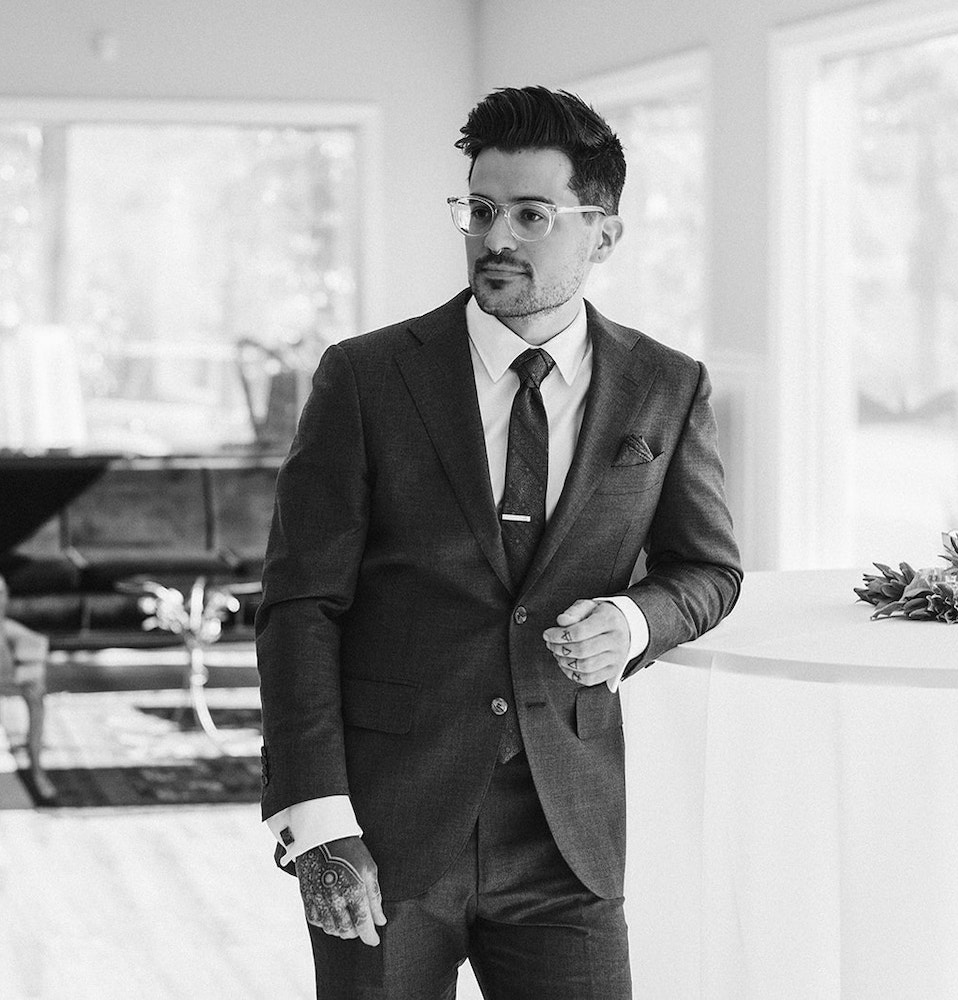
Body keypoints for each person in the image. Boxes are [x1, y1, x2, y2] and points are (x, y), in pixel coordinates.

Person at [257, 85, 742, 999]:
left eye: (531, 214)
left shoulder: (665, 388)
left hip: (568, 835)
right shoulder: (365, 378)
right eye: (479, 210)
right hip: (383, 830)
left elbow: (707, 570)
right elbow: (299, 607)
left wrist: (636, 623)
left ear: (603, 235)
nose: (496, 237)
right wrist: (318, 822)